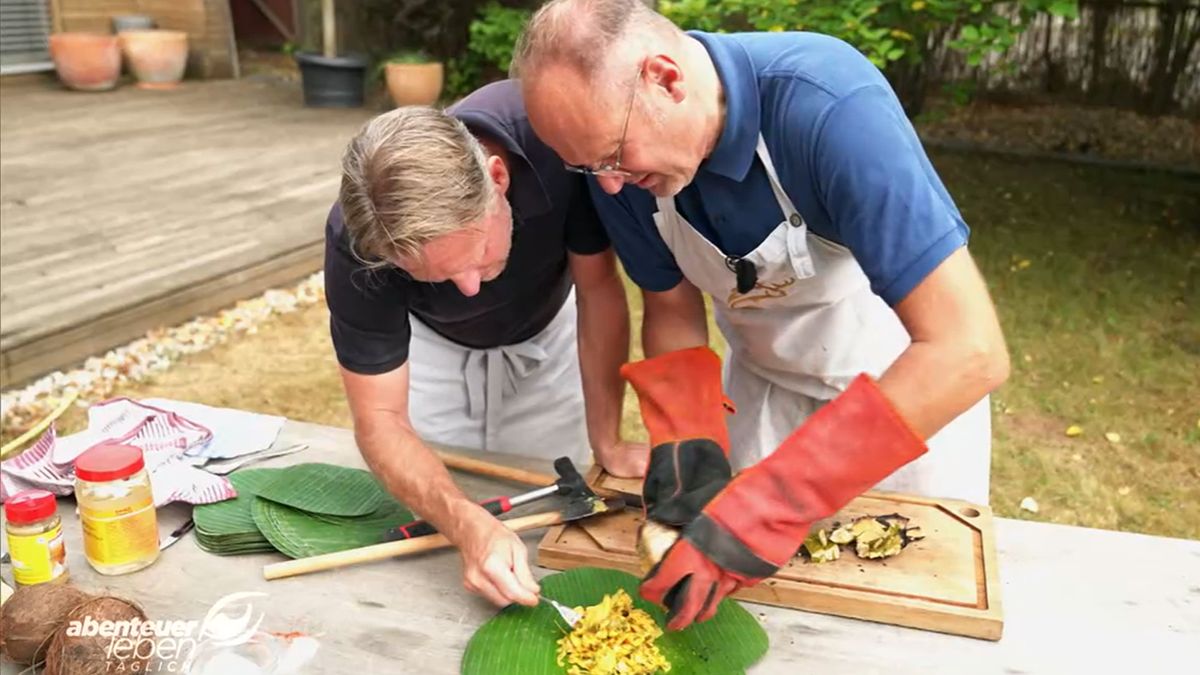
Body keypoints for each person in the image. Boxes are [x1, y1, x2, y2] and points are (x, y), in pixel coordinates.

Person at [510, 0, 1011, 630]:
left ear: (666, 78)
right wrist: (686, 438)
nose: (607, 185)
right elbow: (670, 305)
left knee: (903, 626)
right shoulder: (626, 172)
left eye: (612, 156)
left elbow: (968, 350)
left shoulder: (829, 108)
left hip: (905, 399)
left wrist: (775, 501)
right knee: (772, 625)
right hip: (763, 390)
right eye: (587, 167)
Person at [325, 79, 647, 609]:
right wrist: (463, 522)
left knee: (558, 529)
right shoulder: (358, 236)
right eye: (438, 275)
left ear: (499, 179)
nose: (472, 288)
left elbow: (599, 290)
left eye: (476, 255)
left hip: (548, 334)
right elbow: (381, 419)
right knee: (435, 522)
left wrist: (607, 439)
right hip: (432, 351)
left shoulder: (554, 141)